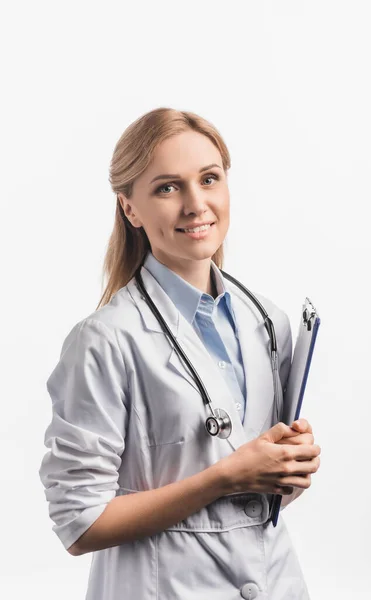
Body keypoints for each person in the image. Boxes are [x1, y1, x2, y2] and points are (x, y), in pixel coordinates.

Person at [39, 107, 321, 600]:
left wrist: (287, 469)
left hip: (277, 582)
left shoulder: (268, 322)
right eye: (168, 188)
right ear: (131, 209)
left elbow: (255, 498)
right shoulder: (105, 341)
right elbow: (79, 523)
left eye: (209, 179)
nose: (196, 204)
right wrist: (221, 479)